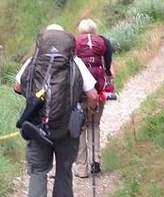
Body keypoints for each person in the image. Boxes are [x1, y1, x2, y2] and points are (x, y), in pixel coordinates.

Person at [14, 24, 99, 197]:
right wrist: (91, 107)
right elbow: (93, 94)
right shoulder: (74, 62)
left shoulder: (33, 61)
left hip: (37, 126)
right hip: (67, 127)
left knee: (38, 172)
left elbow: (17, 86)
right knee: (64, 172)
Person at [73, 18, 115, 178]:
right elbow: (109, 68)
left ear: (80, 31)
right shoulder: (104, 43)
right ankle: (95, 162)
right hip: (98, 91)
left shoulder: (74, 43)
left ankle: (82, 168)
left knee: (79, 129)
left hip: (79, 93)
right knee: (94, 125)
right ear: (95, 30)